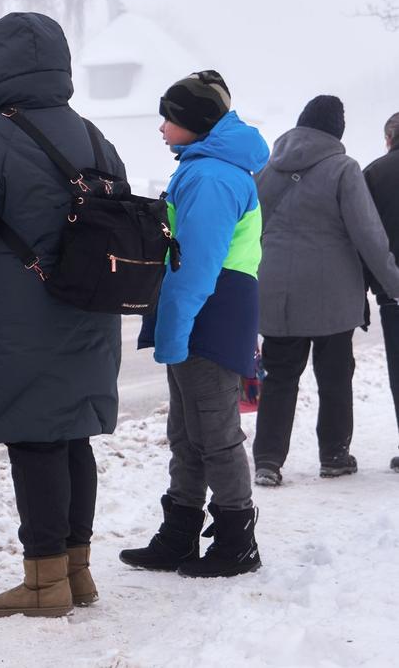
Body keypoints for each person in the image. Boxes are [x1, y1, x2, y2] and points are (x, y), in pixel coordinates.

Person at [0, 12, 125, 618]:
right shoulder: (92, 135)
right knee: (71, 440)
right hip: (90, 311)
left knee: (35, 440)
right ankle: (77, 573)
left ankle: (43, 586)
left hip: (21, 317)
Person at [121, 70, 268, 578]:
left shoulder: (210, 177)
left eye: (170, 117)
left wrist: (174, 332)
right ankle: (179, 536)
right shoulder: (207, 167)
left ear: (196, 123)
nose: (162, 127)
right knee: (187, 433)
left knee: (216, 433)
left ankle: (236, 543)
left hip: (209, 313)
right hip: (207, 311)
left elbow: (195, 266)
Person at [252, 96, 399, 486]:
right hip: (332, 293)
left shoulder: (268, 170)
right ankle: (333, 455)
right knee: (334, 374)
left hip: (277, 291)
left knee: (280, 375)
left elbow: (252, 227)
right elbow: (367, 233)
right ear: (337, 131)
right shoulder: (343, 168)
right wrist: (392, 282)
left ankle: (267, 459)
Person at [363, 111, 399, 473]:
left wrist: (370, 283)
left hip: (394, 290)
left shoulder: (373, 174)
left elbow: (364, 234)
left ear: (389, 138)